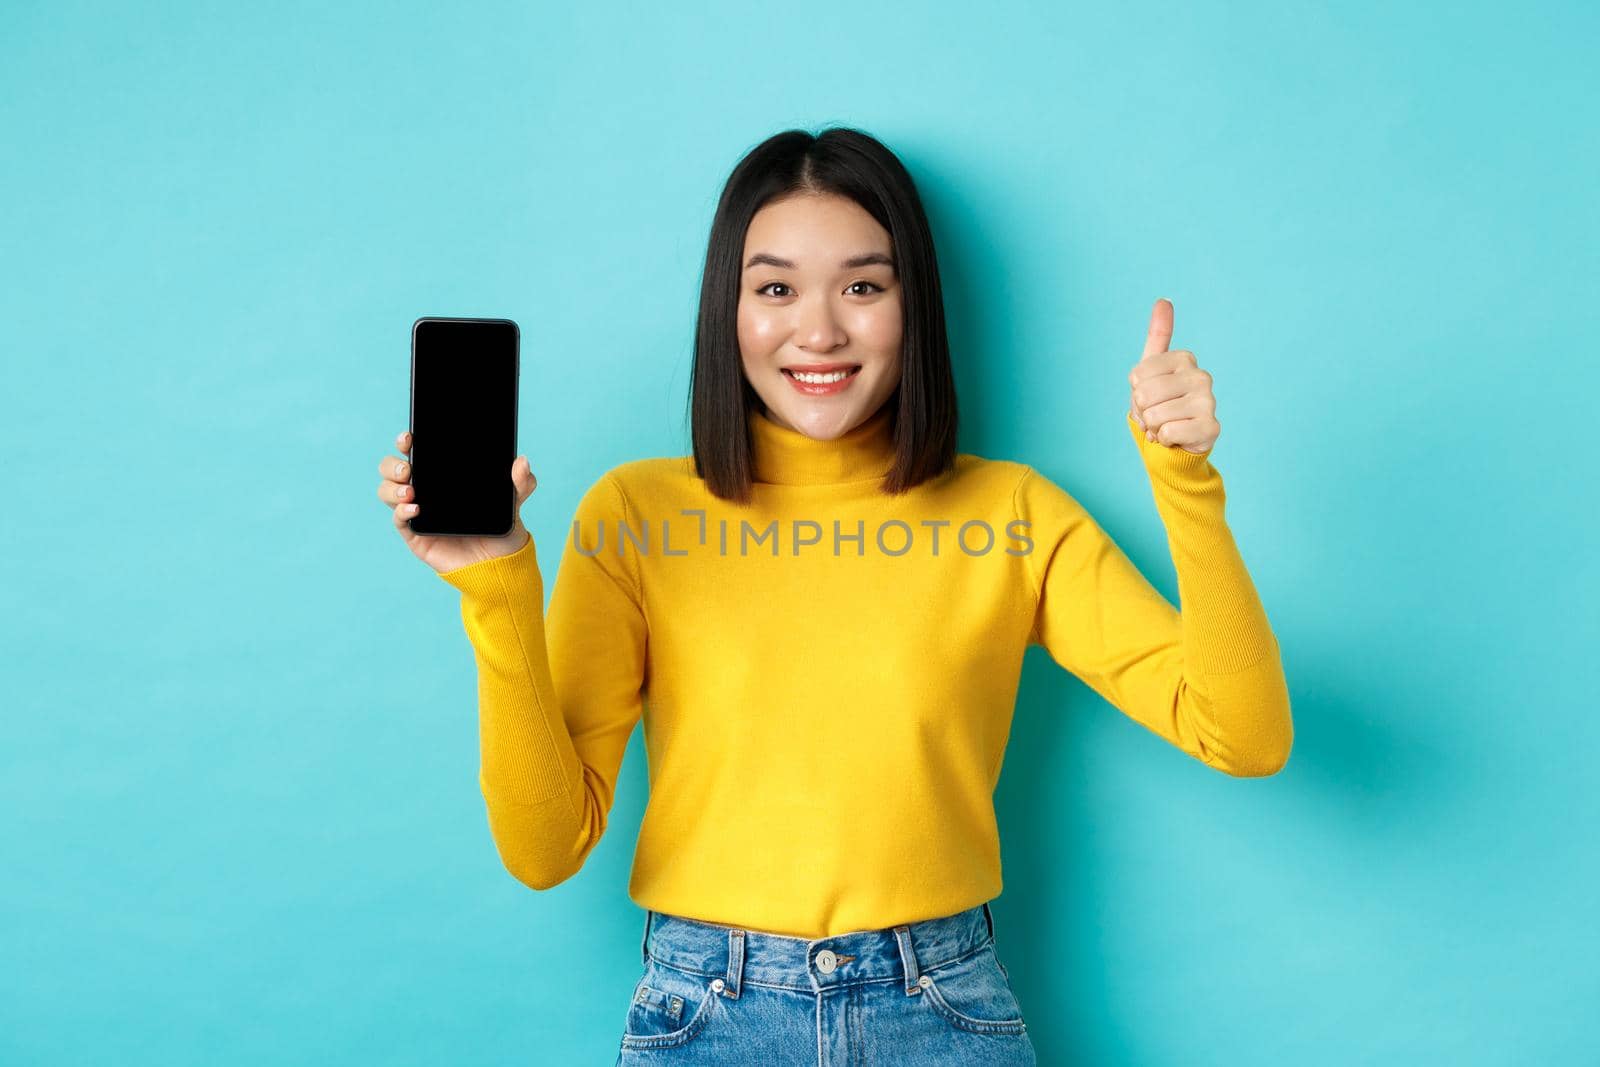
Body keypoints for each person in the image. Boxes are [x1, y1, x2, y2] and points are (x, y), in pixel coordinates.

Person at [375, 126, 1292, 1065]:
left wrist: (1185, 485)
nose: (819, 331)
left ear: (912, 304)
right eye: (775, 288)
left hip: (943, 1008)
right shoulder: (635, 514)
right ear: (728, 311)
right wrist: (496, 584)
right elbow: (546, 845)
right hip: (705, 1013)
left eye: (863, 285)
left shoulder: (1013, 514)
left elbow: (1244, 734)